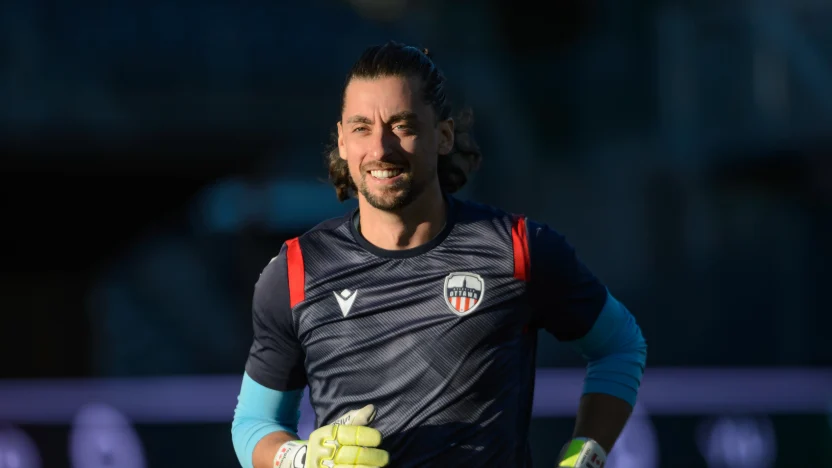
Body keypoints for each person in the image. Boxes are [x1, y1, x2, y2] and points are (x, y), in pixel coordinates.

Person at [232, 41, 647, 468]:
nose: (380, 148)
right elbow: (252, 424)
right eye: (361, 128)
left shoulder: (518, 249)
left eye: (402, 125)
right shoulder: (298, 271)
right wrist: (301, 458)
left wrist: (586, 453)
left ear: (444, 136)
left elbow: (620, 346)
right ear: (341, 139)